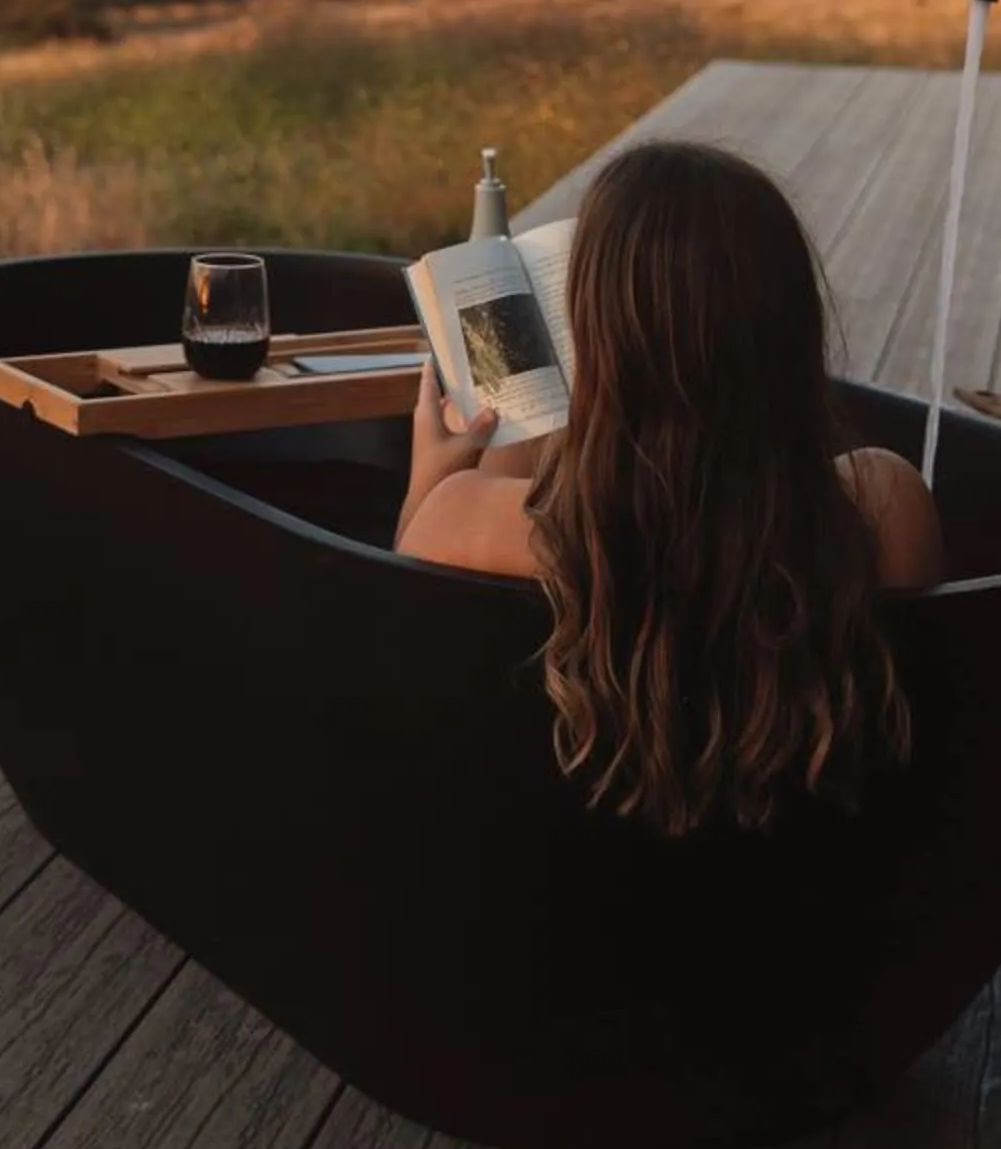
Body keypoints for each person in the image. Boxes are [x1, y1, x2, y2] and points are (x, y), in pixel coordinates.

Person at [395, 139, 944, 833]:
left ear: (592, 335)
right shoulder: (888, 505)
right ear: (794, 328)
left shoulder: (473, 521)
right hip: (814, 887)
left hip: (548, 884)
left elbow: (395, 637)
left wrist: (433, 475)